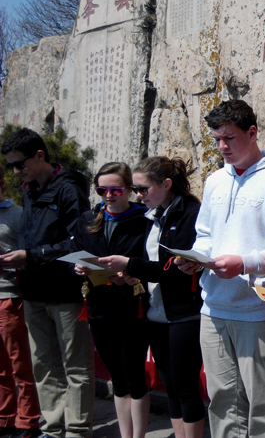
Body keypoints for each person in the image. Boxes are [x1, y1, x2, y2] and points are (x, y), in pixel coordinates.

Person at [176, 100, 265, 438]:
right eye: (217, 139)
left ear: (252, 133)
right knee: (222, 401)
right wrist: (195, 258)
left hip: (260, 310)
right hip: (213, 308)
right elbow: (206, 236)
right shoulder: (215, 181)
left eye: (229, 138)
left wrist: (246, 263)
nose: (222, 146)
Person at [97, 156, 206, 438]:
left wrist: (130, 264)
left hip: (184, 313)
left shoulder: (190, 212)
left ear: (166, 184)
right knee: (170, 387)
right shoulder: (153, 215)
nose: (138, 195)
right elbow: (152, 265)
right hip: (156, 312)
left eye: (143, 189)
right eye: (135, 189)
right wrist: (134, 276)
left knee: (185, 386)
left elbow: (174, 268)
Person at [0, 128, 94, 438]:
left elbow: (77, 242)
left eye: (20, 164)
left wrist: (30, 255)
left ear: (40, 155)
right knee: (43, 364)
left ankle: (77, 430)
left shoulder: (69, 188)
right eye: (12, 166)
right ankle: (52, 428)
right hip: (32, 290)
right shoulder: (28, 189)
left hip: (65, 291)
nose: (17, 172)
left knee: (75, 366)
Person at [71, 162, 150, 438]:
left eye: (115, 190)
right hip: (99, 307)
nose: (108, 195)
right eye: (101, 190)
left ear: (129, 189)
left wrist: (132, 274)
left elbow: (150, 262)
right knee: (117, 377)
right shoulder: (88, 220)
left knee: (134, 375)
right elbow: (75, 253)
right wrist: (78, 268)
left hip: (132, 308)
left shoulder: (144, 220)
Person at [0, 163, 42, 438]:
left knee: (20, 365)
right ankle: (4, 418)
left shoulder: (17, 214)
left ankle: (28, 421)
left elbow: (30, 255)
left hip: (10, 296)